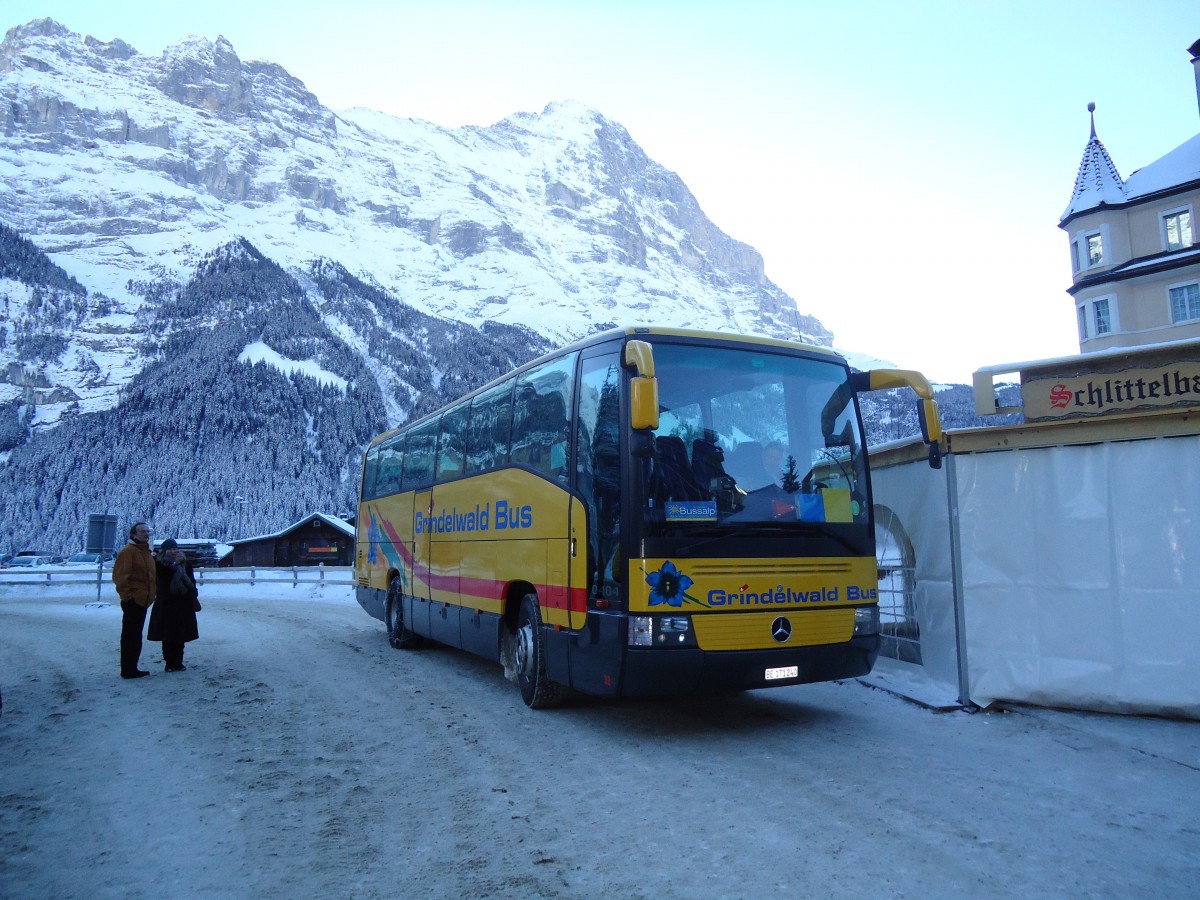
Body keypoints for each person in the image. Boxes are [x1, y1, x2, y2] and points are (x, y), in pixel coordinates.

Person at [111, 522, 156, 679]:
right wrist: (128, 597)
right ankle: (128, 669)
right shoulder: (128, 552)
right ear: (133, 535)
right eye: (142, 531)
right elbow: (120, 576)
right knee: (130, 636)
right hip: (134, 601)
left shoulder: (145, 552)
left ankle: (132, 667)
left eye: (147, 531)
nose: (146, 533)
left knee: (136, 635)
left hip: (144, 600)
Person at [148, 538, 200, 672]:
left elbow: (191, 579)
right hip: (166, 602)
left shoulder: (185, 563)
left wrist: (193, 593)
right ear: (164, 551)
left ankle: (179, 662)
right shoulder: (159, 563)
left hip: (183, 602)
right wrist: (173, 567)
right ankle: (169, 662)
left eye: (174, 549)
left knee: (180, 633)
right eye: (169, 549)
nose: (172, 551)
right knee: (167, 634)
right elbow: (162, 576)